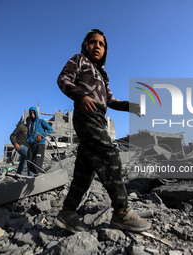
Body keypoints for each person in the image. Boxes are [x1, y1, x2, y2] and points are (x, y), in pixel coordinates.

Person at [55, 29, 150, 233]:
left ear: (105, 50)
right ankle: (122, 213)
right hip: (86, 116)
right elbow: (63, 79)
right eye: (93, 42)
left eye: (101, 44)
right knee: (110, 155)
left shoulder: (103, 76)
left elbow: (111, 101)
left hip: (98, 119)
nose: (97, 46)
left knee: (85, 171)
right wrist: (80, 96)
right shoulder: (79, 60)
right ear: (85, 45)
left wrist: (129, 106)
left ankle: (67, 214)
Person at [27, 106, 53, 174]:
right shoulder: (30, 125)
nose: (32, 115)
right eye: (31, 113)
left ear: (36, 113)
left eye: (34, 113)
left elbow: (50, 130)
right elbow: (28, 137)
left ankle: (40, 176)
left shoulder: (41, 121)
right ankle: (40, 174)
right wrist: (30, 141)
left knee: (37, 165)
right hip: (32, 146)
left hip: (40, 145)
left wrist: (41, 136)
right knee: (29, 163)